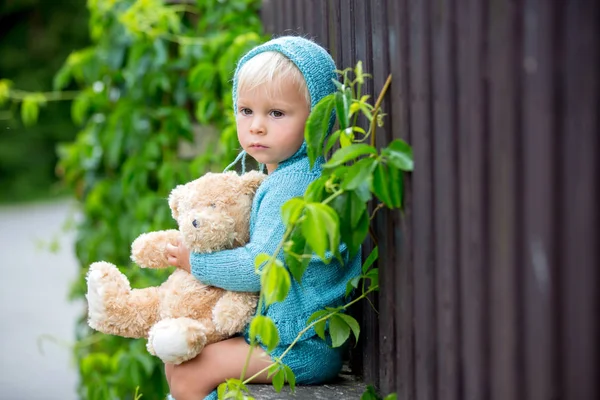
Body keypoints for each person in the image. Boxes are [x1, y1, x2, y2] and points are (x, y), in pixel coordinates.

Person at [165, 36, 362, 400]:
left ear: (317, 115)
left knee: (189, 372)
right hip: (280, 333)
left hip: (299, 346)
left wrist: (196, 263)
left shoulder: (296, 184)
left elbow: (260, 267)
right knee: (179, 357)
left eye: (276, 113)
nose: (256, 126)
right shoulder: (285, 173)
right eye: (246, 111)